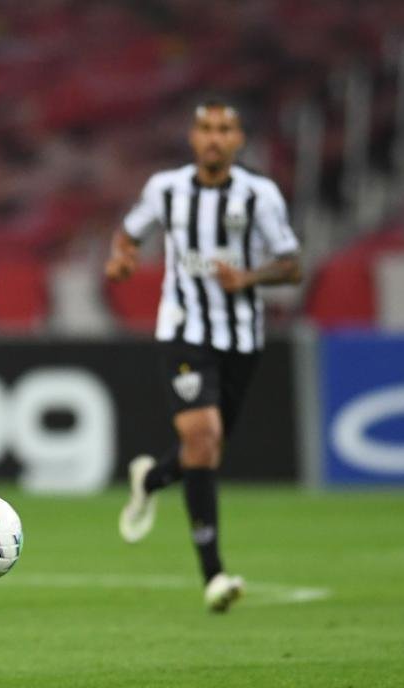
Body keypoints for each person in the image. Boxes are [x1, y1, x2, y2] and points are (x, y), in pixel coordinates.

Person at [105, 98, 302, 612]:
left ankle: (150, 478)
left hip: (241, 339)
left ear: (238, 140)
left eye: (224, 130)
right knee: (202, 436)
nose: (214, 138)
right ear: (194, 138)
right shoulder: (165, 189)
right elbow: (129, 234)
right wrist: (122, 259)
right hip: (184, 331)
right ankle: (214, 575)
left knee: (206, 450)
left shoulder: (259, 195)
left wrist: (250, 277)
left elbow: (292, 265)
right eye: (206, 129)